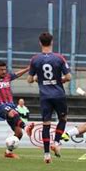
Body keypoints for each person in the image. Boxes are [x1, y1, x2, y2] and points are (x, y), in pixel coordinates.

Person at [27, 32, 71, 164]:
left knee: (46, 124)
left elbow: (29, 79)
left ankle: (46, 155)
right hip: (58, 94)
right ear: (52, 42)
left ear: (40, 43)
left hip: (45, 96)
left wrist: (37, 78)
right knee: (63, 119)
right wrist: (60, 80)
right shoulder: (59, 58)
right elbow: (69, 77)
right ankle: (56, 142)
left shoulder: (35, 59)